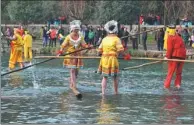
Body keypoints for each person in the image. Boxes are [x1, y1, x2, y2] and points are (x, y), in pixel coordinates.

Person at [97, 20, 131, 95]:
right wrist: (126, 55)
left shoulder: (104, 39)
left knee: (105, 77)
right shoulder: (116, 39)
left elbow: (99, 51)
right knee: (115, 77)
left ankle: (103, 93)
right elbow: (121, 50)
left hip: (104, 59)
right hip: (112, 59)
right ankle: (116, 92)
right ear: (115, 31)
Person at [57, 20, 93, 89]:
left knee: (76, 72)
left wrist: (88, 47)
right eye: (75, 30)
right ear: (72, 30)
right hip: (70, 56)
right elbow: (63, 46)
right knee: (72, 70)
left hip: (78, 56)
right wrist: (60, 52)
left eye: (77, 30)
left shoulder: (81, 37)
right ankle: (74, 86)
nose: (76, 32)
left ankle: (71, 82)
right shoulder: (68, 37)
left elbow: (84, 45)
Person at [164, 25, 186, 89]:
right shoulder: (179, 37)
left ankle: (166, 85)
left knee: (170, 72)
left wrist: (167, 57)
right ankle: (177, 85)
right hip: (182, 57)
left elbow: (170, 49)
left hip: (175, 56)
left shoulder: (171, 37)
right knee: (179, 72)